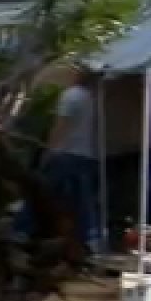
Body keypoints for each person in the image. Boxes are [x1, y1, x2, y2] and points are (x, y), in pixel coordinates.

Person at [37, 62, 105, 256]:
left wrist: (48, 151)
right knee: (83, 200)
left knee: (43, 191)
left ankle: (22, 230)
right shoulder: (91, 97)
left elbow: (61, 125)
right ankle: (91, 239)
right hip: (87, 154)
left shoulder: (70, 95)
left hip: (67, 154)